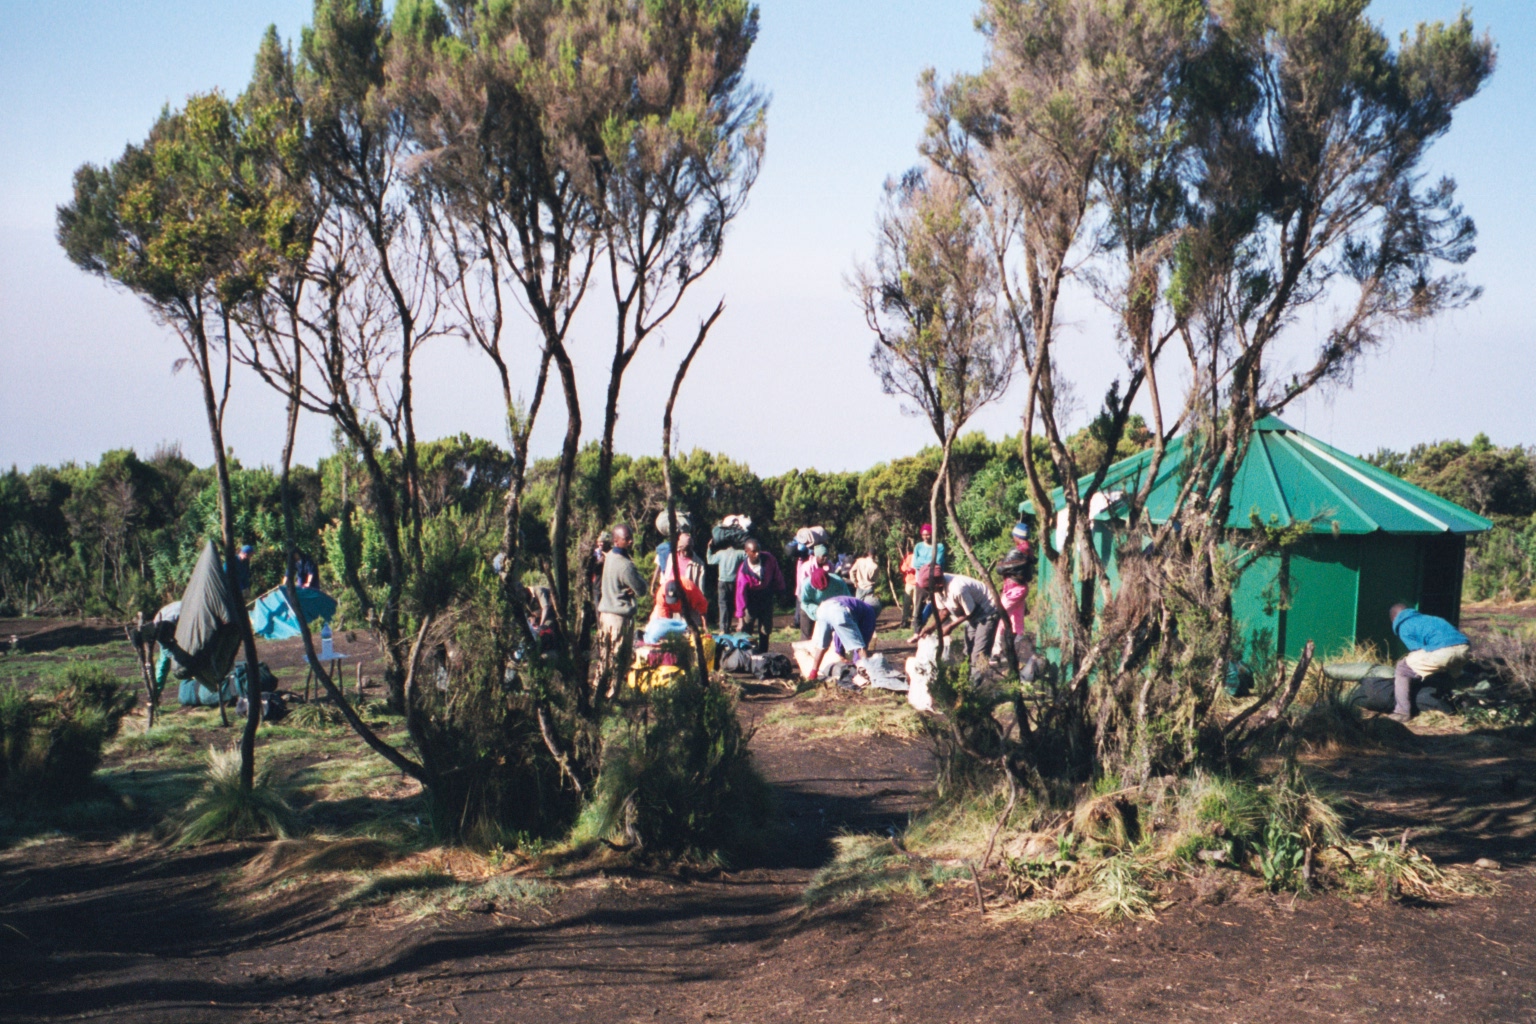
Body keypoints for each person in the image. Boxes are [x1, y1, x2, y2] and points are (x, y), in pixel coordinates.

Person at [915, 565, 1001, 684]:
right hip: (972, 613)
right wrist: (931, 628)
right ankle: (965, 682)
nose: (926, 591)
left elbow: (970, 612)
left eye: (927, 588)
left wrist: (950, 626)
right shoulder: (937, 589)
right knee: (967, 650)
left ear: (937, 584)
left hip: (988, 611)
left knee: (979, 653)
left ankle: (975, 687)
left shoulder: (957, 588)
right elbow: (944, 611)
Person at [1388, 603, 1471, 722]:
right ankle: (1475, 701)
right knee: (1456, 676)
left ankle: (1402, 712)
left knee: (1403, 669)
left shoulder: (1403, 626)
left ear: (1394, 618)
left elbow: (1417, 650)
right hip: (1464, 648)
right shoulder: (1430, 618)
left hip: (1443, 652)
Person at [596, 525, 648, 685]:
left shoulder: (610, 557)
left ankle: (598, 693)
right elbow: (641, 589)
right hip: (619, 618)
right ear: (616, 541)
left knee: (604, 660)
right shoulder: (625, 565)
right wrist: (637, 586)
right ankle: (612, 695)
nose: (631, 541)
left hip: (605, 616)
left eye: (631, 537)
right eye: (627, 539)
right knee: (618, 663)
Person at [802, 594, 879, 682]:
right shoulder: (870, 612)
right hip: (839, 610)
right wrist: (857, 661)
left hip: (823, 609)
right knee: (860, 646)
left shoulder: (856, 604)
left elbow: (839, 631)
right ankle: (866, 674)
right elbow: (862, 641)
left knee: (822, 645)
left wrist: (840, 652)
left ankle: (813, 674)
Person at [734, 539, 784, 653]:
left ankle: (764, 653)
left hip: (766, 596)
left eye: (758, 551)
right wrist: (740, 618)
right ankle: (747, 653)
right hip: (751, 599)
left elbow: (777, 574)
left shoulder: (769, 559)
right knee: (747, 627)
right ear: (747, 552)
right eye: (754, 552)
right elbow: (740, 595)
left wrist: (781, 590)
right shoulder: (743, 571)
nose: (757, 554)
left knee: (765, 628)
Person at [798, 549, 851, 635]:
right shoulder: (806, 585)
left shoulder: (838, 582)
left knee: (831, 634)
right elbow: (805, 602)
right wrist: (816, 610)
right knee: (807, 634)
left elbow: (848, 599)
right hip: (811, 608)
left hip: (831, 609)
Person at [706, 535, 747, 632]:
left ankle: (723, 628)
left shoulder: (721, 553)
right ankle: (731, 625)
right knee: (733, 604)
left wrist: (709, 548)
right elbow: (749, 555)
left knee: (723, 604)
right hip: (734, 582)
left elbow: (710, 560)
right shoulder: (739, 553)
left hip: (722, 582)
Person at [911, 524, 946, 632]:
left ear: (932, 534)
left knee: (938, 605)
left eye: (928, 534)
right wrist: (929, 563)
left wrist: (924, 564)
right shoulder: (918, 546)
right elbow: (915, 563)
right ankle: (917, 630)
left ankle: (937, 629)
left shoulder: (939, 547)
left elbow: (937, 562)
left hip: (935, 581)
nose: (925, 537)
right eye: (923, 535)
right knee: (918, 607)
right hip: (921, 581)